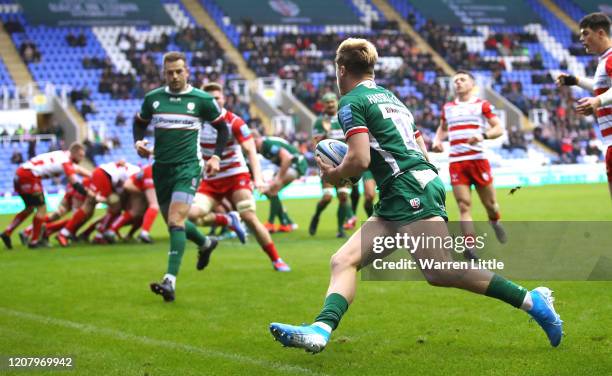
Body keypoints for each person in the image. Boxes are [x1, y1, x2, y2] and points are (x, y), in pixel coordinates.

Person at [269, 38, 562, 353]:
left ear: (341, 69)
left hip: (407, 187)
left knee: (440, 270)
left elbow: (360, 161)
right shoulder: (392, 98)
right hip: (406, 187)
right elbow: (419, 146)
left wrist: (335, 174)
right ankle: (321, 329)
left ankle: (534, 302)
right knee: (343, 260)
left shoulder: (352, 101)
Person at [132, 51, 230, 302]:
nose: (174, 76)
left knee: (175, 220)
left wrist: (216, 157)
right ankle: (206, 242)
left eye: (179, 71)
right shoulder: (153, 99)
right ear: (163, 74)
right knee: (173, 223)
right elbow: (139, 122)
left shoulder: (201, 100)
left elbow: (222, 128)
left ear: (187, 72)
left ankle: (170, 281)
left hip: (188, 167)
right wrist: (138, 142)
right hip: (161, 168)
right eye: (169, 72)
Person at [188, 82, 290, 272]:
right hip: (211, 179)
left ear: (223, 99)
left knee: (249, 216)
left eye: (217, 98)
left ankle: (277, 260)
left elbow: (251, 150)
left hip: (236, 176)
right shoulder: (196, 123)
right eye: (209, 99)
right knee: (192, 216)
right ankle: (227, 220)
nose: (214, 102)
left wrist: (258, 178)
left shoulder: (234, 121)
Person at [431, 70, 507, 258]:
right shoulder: (448, 107)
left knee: (491, 204)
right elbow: (442, 128)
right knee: (464, 206)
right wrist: (437, 140)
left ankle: (495, 221)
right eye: (455, 80)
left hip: (478, 160)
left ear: (472, 85)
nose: (458, 82)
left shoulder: (482, 105)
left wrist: (483, 135)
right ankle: (470, 247)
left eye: (462, 79)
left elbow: (499, 128)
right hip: (457, 162)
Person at [556, 12, 612, 198]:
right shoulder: (604, 60)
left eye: (585, 33)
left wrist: (597, 101)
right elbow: (601, 88)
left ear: (601, 33)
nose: (581, 39)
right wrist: (576, 80)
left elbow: (602, 95)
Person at [1, 142, 89, 249]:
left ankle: (8, 232)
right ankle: (34, 241)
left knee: (30, 208)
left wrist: (93, 174)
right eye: (80, 156)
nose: (81, 159)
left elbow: (77, 169)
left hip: (20, 174)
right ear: (74, 153)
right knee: (42, 208)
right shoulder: (66, 162)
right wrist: (89, 193)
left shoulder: (62, 155)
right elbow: (74, 183)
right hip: (30, 176)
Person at [56, 160, 140, 246]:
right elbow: (126, 186)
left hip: (105, 176)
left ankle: (97, 234)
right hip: (104, 176)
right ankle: (64, 233)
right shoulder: (137, 175)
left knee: (114, 208)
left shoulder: (136, 171)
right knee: (90, 206)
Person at [309, 92, 357, 238]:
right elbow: (316, 144)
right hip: (327, 163)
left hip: (344, 162)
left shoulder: (345, 117)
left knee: (343, 196)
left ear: (337, 102)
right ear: (323, 105)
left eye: (332, 102)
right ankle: (316, 215)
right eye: (327, 102)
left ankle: (340, 229)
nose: (330, 104)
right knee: (327, 197)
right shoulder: (319, 122)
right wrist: (325, 134)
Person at [253, 133, 306, 232]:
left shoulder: (267, 144)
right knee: (269, 192)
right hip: (290, 166)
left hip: (296, 164)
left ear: (255, 141)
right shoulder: (261, 148)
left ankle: (271, 223)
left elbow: (287, 158)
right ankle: (286, 223)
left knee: (273, 189)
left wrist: (278, 179)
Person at [104, 164, 159, 243]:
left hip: (132, 186)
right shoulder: (145, 170)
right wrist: (142, 192)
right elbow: (127, 185)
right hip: (133, 187)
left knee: (141, 213)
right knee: (150, 206)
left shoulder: (143, 169)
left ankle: (119, 232)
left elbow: (128, 183)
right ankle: (143, 233)